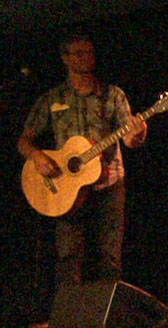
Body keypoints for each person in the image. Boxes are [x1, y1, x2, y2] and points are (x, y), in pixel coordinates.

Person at [17, 36, 148, 289]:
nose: (86, 57)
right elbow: (24, 141)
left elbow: (130, 140)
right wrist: (38, 157)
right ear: (65, 58)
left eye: (89, 52)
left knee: (110, 256)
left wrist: (138, 133)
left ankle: (106, 311)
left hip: (109, 183)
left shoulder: (113, 95)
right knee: (68, 256)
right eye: (78, 53)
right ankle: (69, 311)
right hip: (66, 187)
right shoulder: (53, 98)